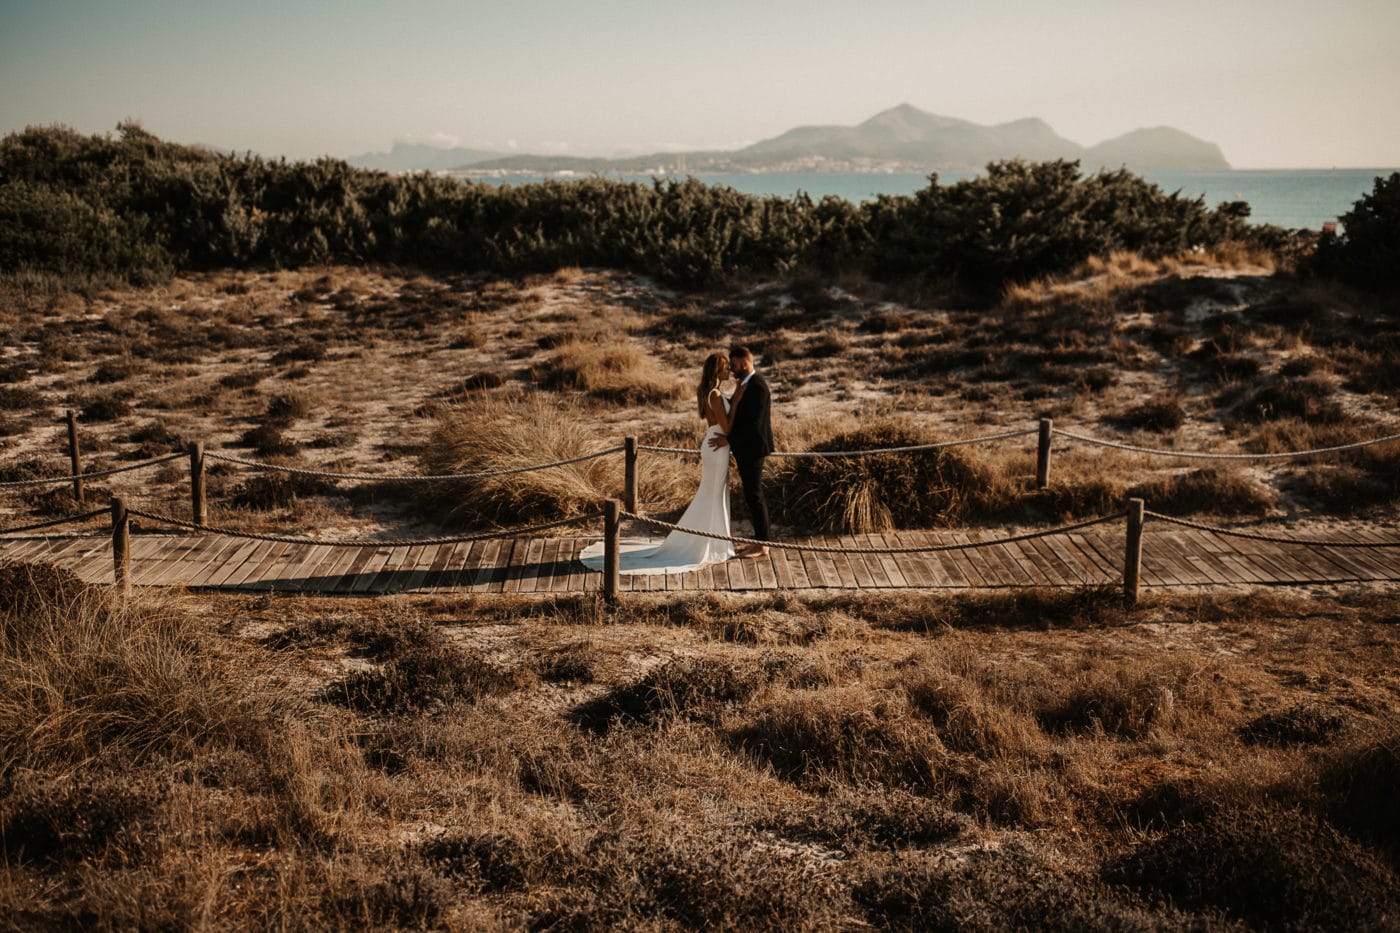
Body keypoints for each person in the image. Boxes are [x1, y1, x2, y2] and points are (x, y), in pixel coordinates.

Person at [578, 352, 736, 575]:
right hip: (717, 445)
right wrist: (738, 408)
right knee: (712, 496)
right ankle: (709, 543)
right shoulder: (716, 395)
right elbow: (727, 427)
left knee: (712, 495)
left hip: (714, 443)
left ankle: (715, 541)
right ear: (716, 370)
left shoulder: (709, 393)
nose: (728, 370)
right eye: (725, 367)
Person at [709, 345, 772, 558]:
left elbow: (754, 426)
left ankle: (763, 545)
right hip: (746, 448)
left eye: (734, 364)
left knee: (755, 496)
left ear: (744, 362)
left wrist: (728, 439)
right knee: (751, 495)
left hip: (753, 449)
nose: (733, 369)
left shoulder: (758, 387)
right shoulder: (744, 385)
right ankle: (758, 541)